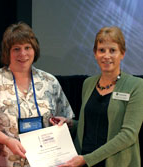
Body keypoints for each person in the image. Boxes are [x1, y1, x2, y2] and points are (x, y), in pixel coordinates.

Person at [0, 22, 74, 167]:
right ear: (7, 52)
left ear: (34, 50)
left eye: (27, 48)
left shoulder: (50, 82)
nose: (23, 54)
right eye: (16, 49)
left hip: (43, 162)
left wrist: (65, 122)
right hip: (1, 162)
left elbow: (66, 118)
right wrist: (6, 140)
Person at [58, 26, 143, 167]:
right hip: (83, 160)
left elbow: (129, 135)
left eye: (113, 50)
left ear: (122, 53)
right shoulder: (88, 83)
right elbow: (92, 124)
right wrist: (71, 123)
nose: (106, 55)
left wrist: (88, 159)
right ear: (95, 53)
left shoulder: (136, 85)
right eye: (101, 50)